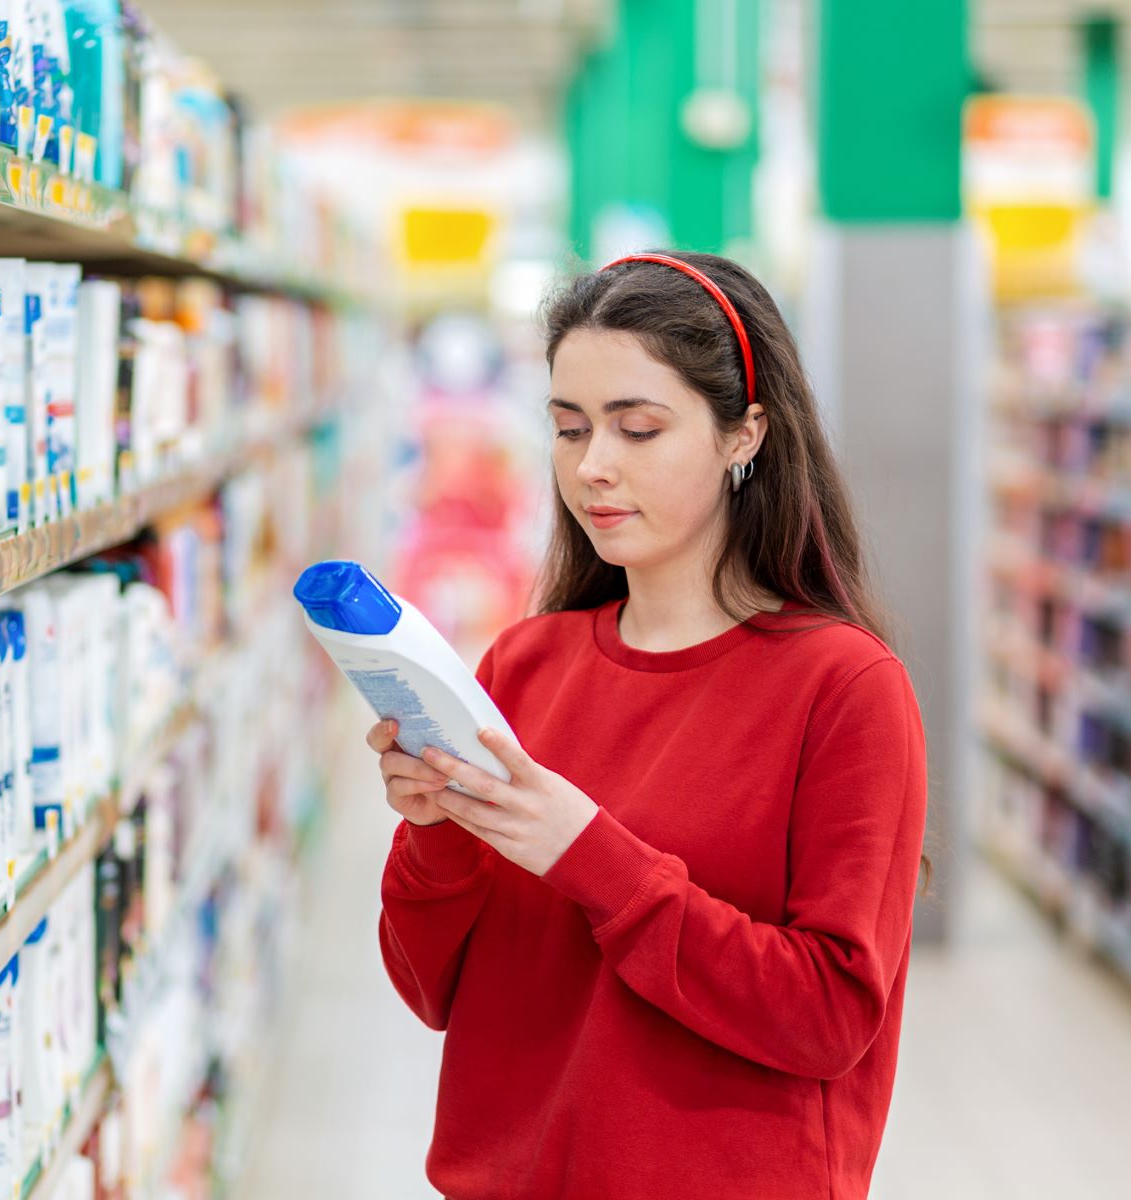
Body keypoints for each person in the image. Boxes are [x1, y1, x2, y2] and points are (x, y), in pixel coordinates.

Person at [372, 251, 929, 1200]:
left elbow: (830, 1017)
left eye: (638, 429)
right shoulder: (524, 665)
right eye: (568, 428)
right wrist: (433, 836)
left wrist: (592, 856)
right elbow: (434, 992)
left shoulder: (843, 688)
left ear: (743, 434)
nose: (594, 467)